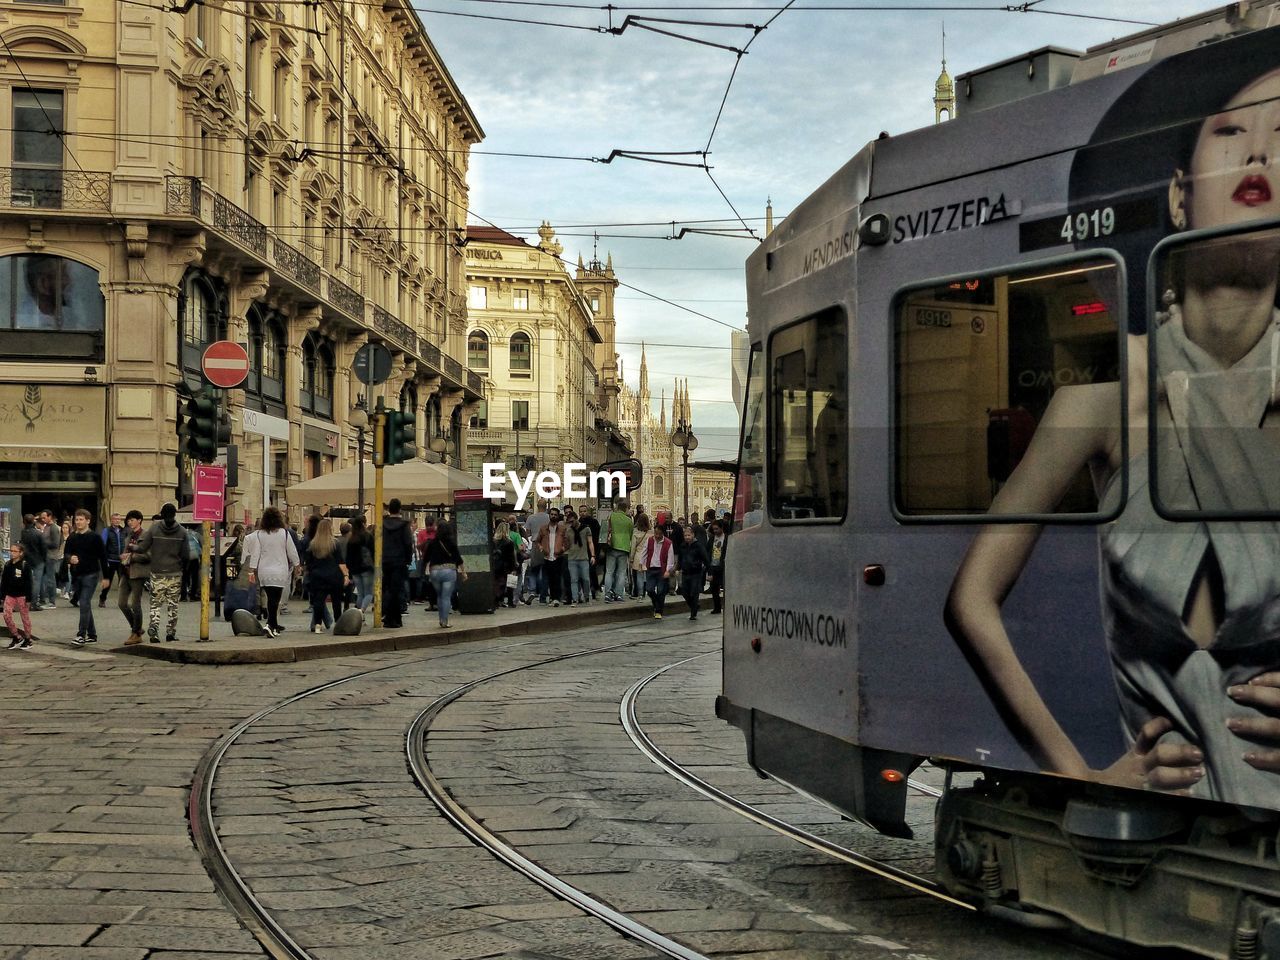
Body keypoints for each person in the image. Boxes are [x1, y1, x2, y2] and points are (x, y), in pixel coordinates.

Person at [946, 57, 1280, 805]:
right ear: (1178, 194)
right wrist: (1081, 777)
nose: (1261, 151)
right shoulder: (1096, 405)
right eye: (1231, 131)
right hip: (1163, 817)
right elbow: (970, 598)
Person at [134, 503, 190, 644]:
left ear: (162, 515)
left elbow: (143, 547)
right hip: (175, 572)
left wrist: (133, 547)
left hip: (157, 572)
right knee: (173, 605)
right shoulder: (182, 532)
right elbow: (186, 555)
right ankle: (170, 633)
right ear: (175, 514)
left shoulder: (154, 529)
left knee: (155, 604)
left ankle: (154, 630)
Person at [243, 506, 297, 639]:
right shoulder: (284, 533)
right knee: (275, 599)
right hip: (279, 570)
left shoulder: (259, 534)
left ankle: (274, 625)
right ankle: (270, 624)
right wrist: (297, 564)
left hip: (264, 571)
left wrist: (252, 570)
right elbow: (292, 551)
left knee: (270, 598)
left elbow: (255, 553)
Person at [65, 509, 109, 645]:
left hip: (91, 574)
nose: (78, 522)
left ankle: (81, 635)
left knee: (84, 602)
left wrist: (106, 577)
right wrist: (70, 558)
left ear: (88, 521)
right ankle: (92, 634)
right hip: (76, 574)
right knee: (86, 605)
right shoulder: (72, 537)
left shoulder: (95, 537)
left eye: (81, 519)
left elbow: (103, 557)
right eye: (77, 520)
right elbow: (66, 554)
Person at [303, 518, 349, 634]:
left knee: (319, 601)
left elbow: (308, 563)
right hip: (334, 576)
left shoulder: (313, 544)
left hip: (317, 576)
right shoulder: (335, 543)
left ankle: (318, 624)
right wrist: (346, 575)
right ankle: (338, 623)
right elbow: (340, 562)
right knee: (336, 601)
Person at [117, 509, 149, 645]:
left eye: (132, 520)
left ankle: (136, 633)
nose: (130, 522)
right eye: (128, 520)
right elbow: (125, 551)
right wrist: (123, 556)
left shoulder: (146, 535)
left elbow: (149, 556)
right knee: (122, 603)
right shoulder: (128, 535)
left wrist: (132, 557)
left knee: (135, 604)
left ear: (139, 520)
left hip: (137, 573)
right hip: (126, 572)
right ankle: (137, 628)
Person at [425, 520, 465, 628]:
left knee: (439, 596)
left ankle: (440, 619)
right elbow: (458, 559)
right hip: (449, 571)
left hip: (435, 571)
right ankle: (445, 621)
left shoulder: (432, 542)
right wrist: (464, 572)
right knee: (446, 597)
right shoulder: (451, 543)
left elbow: (426, 558)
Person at [381, 498, 413, 628]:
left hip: (385, 560)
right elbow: (408, 543)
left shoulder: (382, 524)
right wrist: (408, 560)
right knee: (397, 589)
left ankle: (390, 617)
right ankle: (394, 618)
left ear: (389, 509)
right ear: (400, 509)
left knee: (387, 588)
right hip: (399, 561)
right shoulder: (404, 525)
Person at [2, 542, 36, 649]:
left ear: (21, 553)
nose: (12, 553)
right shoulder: (8, 565)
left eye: (15, 551)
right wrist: (2, 595)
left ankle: (27, 639)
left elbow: (29, 582)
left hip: (22, 595)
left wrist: (29, 598)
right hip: (10, 594)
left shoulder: (24, 565)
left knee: (24, 617)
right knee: (6, 615)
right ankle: (16, 636)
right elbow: (4, 581)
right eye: (11, 551)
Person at [535, 506, 570, 607]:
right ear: (549, 515)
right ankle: (551, 597)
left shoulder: (562, 529)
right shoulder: (543, 528)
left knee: (557, 578)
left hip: (558, 556)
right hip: (547, 556)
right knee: (549, 578)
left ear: (558, 516)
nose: (553, 516)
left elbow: (567, 542)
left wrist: (562, 549)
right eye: (552, 514)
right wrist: (541, 548)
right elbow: (537, 541)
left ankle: (556, 598)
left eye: (555, 515)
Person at [642, 522, 676, 619]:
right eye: (655, 533)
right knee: (649, 589)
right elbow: (644, 552)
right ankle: (657, 604)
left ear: (663, 533)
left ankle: (658, 610)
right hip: (651, 568)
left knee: (661, 591)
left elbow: (670, 559)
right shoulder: (649, 540)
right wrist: (642, 564)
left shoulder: (668, 543)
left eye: (659, 534)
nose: (657, 536)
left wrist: (667, 571)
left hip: (662, 569)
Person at [675, 525, 709, 620]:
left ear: (693, 535)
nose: (687, 537)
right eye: (685, 535)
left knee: (694, 593)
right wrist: (678, 568)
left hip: (696, 573)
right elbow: (680, 559)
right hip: (685, 572)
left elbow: (705, 559)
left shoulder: (698, 546)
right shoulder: (682, 546)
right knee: (684, 592)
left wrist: (709, 572)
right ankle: (694, 606)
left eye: (689, 535)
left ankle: (693, 613)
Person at [603, 498, 633, 602]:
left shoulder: (611, 516)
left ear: (617, 507)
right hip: (624, 548)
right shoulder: (629, 520)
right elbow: (631, 535)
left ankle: (607, 594)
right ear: (625, 509)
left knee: (609, 572)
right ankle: (619, 594)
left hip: (611, 547)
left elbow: (605, 529)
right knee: (621, 573)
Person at [564, 511, 595, 605]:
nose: (571, 523)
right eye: (569, 522)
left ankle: (586, 596)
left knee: (585, 578)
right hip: (572, 558)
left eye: (572, 521)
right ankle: (575, 599)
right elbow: (567, 545)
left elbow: (590, 542)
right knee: (574, 579)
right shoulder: (569, 530)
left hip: (583, 557)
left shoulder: (586, 529)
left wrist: (593, 555)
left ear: (576, 519)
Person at [346, 516, 374, 613]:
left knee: (360, 594)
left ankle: (358, 614)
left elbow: (348, 557)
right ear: (363, 524)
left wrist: (349, 572)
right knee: (369, 593)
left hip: (355, 570)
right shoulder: (368, 536)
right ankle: (361, 612)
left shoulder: (351, 539)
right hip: (367, 568)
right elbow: (373, 552)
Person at [19, 515, 46, 611]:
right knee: (37, 582)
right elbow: (44, 548)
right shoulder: (38, 534)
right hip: (38, 559)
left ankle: (26, 601)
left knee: (27, 581)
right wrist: (44, 558)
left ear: (24, 522)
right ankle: (34, 603)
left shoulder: (22, 533)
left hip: (26, 559)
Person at [98, 512, 125, 607]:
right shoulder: (107, 530)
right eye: (115, 519)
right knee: (108, 582)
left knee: (123, 582)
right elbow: (102, 545)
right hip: (111, 560)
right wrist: (105, 560)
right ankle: (102, 598)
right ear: (111, 520)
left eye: (118, 519)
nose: (117, 521)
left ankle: (123, 601)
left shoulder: (124, 531)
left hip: (122, 560)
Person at [491, 520, 518, 608]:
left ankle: (496, 600)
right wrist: (513, 568)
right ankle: (510, 601)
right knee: (509, 584)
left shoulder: (493, 541)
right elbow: (511, 557)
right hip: (506, 566)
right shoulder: (509, 542)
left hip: (496, 565)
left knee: (497, 583)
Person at [40, 509, 62, 608]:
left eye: (44, 517)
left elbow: (56, 543)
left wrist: (43, 542)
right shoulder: (46, 527)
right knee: (46, 578)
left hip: (51, 556)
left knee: (50, 579)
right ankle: (45, 599)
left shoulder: (53, 528)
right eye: (42, 518)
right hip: (47, 555)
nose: (43, 519)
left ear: (50, 517)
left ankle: (52, 602)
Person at [629, 512, 652, 601]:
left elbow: (633, 547)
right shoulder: (651, 533)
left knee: (639, 576)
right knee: (647, 576)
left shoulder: (635, 533)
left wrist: (631, 559)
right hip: (648, 556)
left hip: (638, 557)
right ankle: (648, 592)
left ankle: (640, 594)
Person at [706, 520, 727, 615]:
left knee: (725, 586)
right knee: (714, 588)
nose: (715, 531)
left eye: (717, 529)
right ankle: (717, 607)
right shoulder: (711, 539)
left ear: (721, 528)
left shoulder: (727, 538)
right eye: (713, 529)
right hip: (713, 565)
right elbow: (707, 551)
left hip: (723, 566)